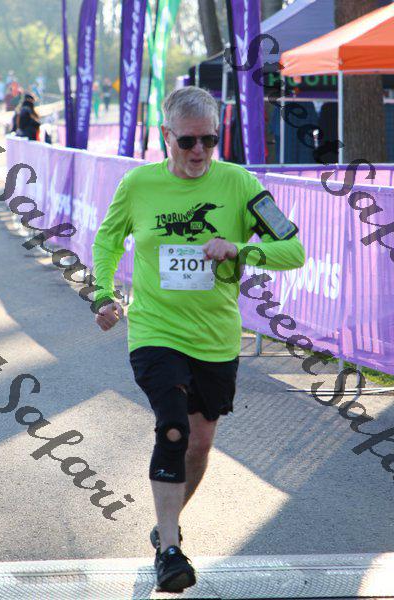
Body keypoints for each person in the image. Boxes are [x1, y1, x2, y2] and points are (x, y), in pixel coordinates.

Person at [92, 86, 306, 593]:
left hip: (215, 336)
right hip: (155, 330)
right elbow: (108, 237)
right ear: (165, 136)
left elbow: (293, 248)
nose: (198, 152)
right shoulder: (138, 184)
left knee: (200, 442)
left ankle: (165, 523)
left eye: (209, 140)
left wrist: (239, 250)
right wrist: (102, 292)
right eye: (187, 141)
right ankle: (170, 550)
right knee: (172, 428)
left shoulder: (240, 183)